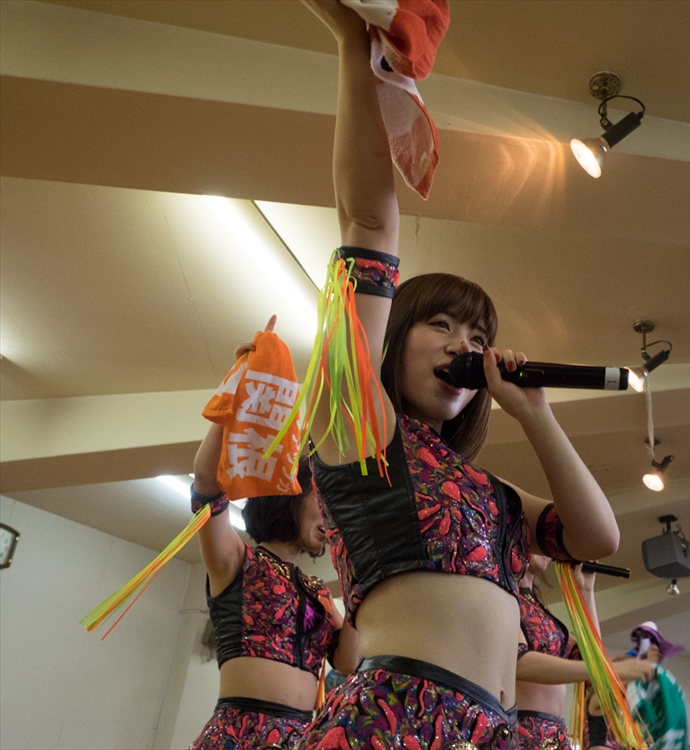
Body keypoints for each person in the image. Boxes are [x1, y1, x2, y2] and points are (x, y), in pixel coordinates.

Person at [296, 1, 621, 746]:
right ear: (395, 338)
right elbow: (368, 224)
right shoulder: (363, 436)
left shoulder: (484, 488)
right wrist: (351, 45)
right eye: (440, 325)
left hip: (492, 731)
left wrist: (535, 414)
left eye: (478, 336)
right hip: (399, 719)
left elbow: (595, 538)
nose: (463, 345)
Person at [189, 319, 347, 750]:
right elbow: (207, 486)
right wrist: (239, 391)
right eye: (323, 502)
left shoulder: (319, 592)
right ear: (291, 495)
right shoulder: (237, 561)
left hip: (301, 740)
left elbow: (351, 659)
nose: (330, 518)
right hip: (238, 737)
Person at [515, 555, 653, 750]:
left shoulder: (540, 609)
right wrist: (609, 669)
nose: (548, 551)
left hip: (556, 735)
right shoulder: (507, 599)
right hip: (522, 734)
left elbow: (590, 656)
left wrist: (586, 590)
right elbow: (520, 662)